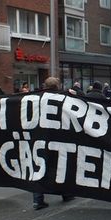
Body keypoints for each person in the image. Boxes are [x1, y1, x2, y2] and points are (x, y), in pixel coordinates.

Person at [32, 76, 75, 210]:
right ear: (58, 86)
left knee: (40, 167)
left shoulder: (36, 98)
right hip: (58, 137)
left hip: (40, 137)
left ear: (45, 86)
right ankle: (66, 193)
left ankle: (38, 200)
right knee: (61, 166)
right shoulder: (64, 98)